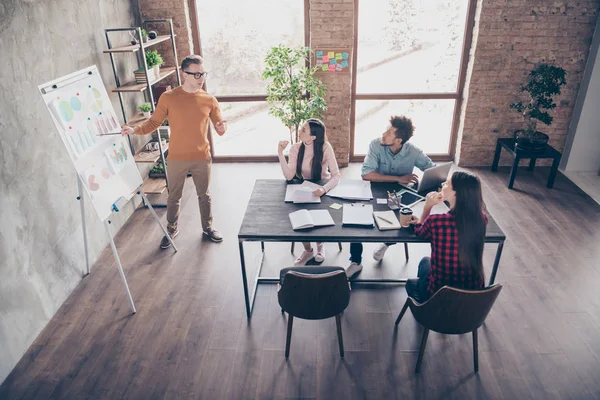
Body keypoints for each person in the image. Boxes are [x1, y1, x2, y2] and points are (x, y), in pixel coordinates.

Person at [122, 55, 227, 249]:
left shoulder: (209, 100)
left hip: (202, 157)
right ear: (183, 74)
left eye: (202, 73)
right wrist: (134, 130)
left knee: (204, 195)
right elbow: (154, 122)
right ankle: (171, 228)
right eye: (195, 74)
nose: (200, 77)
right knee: (173, 196)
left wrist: (221, 128)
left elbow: (220, 127)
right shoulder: (169, 97)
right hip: (177, 158)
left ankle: (208, 227)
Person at [346, 115, 435, 277]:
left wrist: (422, 184)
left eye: (388, 132)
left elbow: (431, 168)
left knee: (403, 223)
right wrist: (398, 178)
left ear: (398, 140)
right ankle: (355, 261)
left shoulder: (413, 151)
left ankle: (386, 243)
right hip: (373, 189)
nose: (383, 134)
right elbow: (366, 174)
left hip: (399, 195)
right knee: (356, 222)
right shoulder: (376, 145)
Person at [406, 171, 487, 302]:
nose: (443, 184)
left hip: (439, 296)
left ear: (455, 193)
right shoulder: (482, 219)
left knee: (424, 263)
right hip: (472, 299)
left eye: (447, 184)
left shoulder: (436, 221)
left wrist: (427, 207)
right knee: (428, 263)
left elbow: (420, 232)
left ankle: (426, 305)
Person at [278, 118, 341, 264]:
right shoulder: (295, 148)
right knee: (299, 218)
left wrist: (323, 189)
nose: (300, 131)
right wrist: (280, 153)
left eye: (304, 130)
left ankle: (320, 246)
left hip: (322, 188)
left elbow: (336, 175)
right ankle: (308, 250)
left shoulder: (325, 147)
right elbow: (289, 175)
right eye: (301, 128)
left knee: (318, 216)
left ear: (313, 137)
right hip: (302, 188)